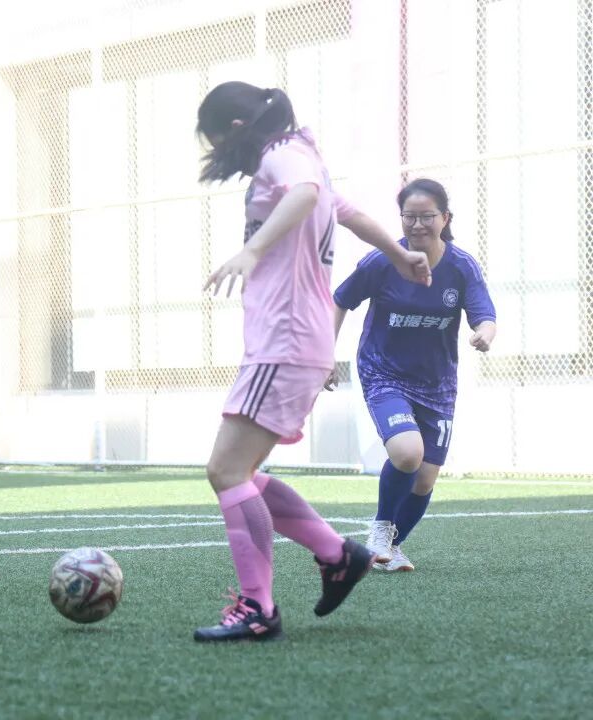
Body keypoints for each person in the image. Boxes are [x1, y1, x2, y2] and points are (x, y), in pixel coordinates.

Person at [190, 82, 433, 642]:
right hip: (295, 342)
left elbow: (304, 193)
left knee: (226, 472)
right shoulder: (305, 155)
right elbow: (349, 213)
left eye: (216, 140)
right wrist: (399, 254)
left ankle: (258, 608)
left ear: (236, 129)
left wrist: (252, 250)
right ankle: (336, 555)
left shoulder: (284, 155)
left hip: (286, 341)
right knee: (242, 472)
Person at [329, 178, 496, 572]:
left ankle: (390, 548)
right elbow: (339, 301)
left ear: (445, 218)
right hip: (383, 372)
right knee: (407, 453)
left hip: (437, 384)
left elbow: (484, 314)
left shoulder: (461, 266)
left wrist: (484, 333)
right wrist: (325, 353)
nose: (417, 224)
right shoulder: (382, 261)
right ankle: (379, 530)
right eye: (409, 217)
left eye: (427, 216)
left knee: (424, 480)